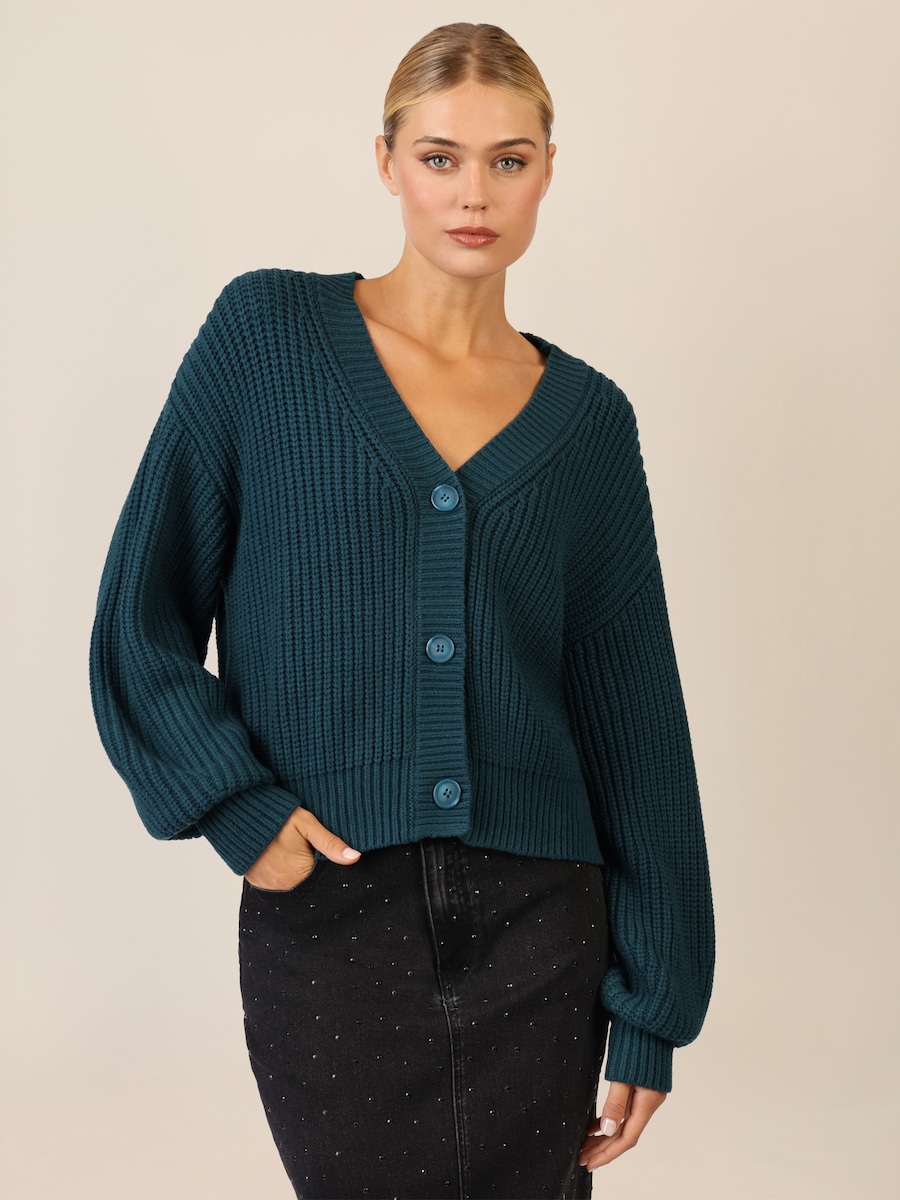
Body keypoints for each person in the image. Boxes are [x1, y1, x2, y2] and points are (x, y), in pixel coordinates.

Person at [89, 21, 714, 1200]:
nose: (474, 193)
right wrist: (237, 805)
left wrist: (654, 1005)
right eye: (440, 157)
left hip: (545, 924)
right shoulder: (265, 339)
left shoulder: (588, 423)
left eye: (508, 160)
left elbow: (635, 725)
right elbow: (141, 616)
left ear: (548, 170)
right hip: (332, 910)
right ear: (386, 162)